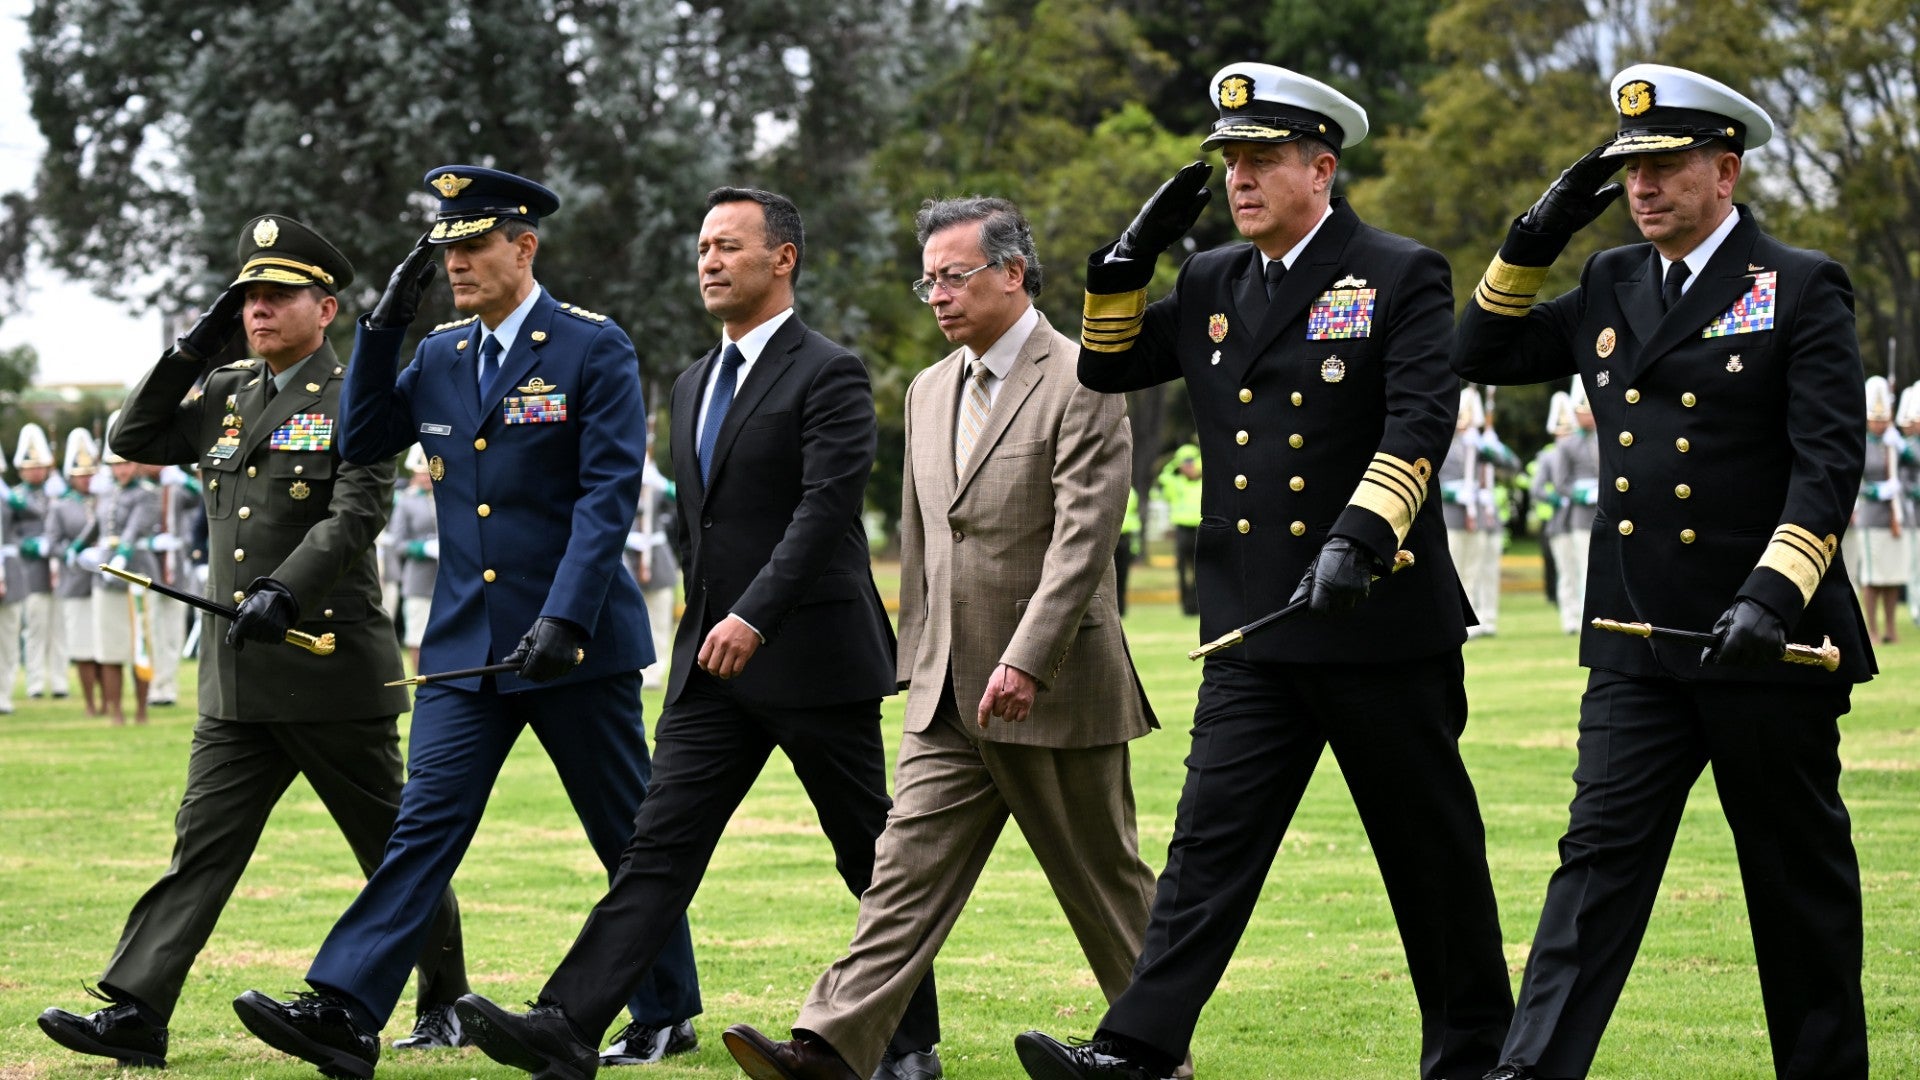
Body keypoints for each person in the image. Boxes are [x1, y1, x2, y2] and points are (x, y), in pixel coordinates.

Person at [1015, 63, 1511, 1080]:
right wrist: (1124, 264)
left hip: (1374, 617)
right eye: (1228, 161)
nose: (1238, 177)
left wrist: (1359, 536)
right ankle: (1137, 1051)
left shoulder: (1397, 271)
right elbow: (1107, 365)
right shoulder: (1210, 282)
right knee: (1207, 849)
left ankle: (1475, 1055)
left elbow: (1421, 418)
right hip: (1255, 624)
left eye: (1261, 158)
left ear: (1321, 167)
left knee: (1429, 860)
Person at [450, 186, 939, 1080]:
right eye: (702, 247)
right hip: (712, 671)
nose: (708, 262)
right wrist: (716, 618)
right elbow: (695, 526)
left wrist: (754, 614)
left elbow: (826, 513)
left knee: (868, 855)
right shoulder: (689, 381)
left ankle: (908, 1045)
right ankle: (567, 1025)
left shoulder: (830, 370)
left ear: (782, 258)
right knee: (657, 847)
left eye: (728, 246)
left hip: (815, 660)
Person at [1451, 64, 1874, 1080]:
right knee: (1594, 869)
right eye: (1629, 171)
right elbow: (1480, 348)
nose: (1641, 189)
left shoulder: (1799, 284)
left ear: (1725, 171)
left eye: (1667, 166)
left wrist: (1772, 595)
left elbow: (1828, 462)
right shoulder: (1609, 280)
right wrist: (1533, 237)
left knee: (1794, 885)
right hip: (1638, 639)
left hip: (1763, 636)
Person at [231, 168, 700, 1079]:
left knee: (627, 837)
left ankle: (666, 1010)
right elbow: (362, 438)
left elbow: (607, 499)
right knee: (424, 829)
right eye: (443, 248)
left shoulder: (590, 349)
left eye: (472, 245)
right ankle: (344, 1008)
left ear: (524, 248)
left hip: (574, 645)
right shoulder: (440, 354)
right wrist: (379, 329)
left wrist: (566, 616)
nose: (455, 263)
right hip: (465, 649)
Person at [720, 196, 1163, 1080]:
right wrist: (918, 669)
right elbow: (925, 546)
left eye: (954, 276)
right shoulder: (927, 392)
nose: (937, 296)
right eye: (928, 280)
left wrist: (1027, 660)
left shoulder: (1086, 378)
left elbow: (1085, 544)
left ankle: (1155, 1048)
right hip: (946, 699)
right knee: (901, 878)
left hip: (1057, 687)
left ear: (1011, 272)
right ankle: (828, 1047)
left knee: (1105, 888)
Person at [40, 215, 472, 1068]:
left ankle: (446, 999)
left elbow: (356, 512)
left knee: (391, 848)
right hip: (238, 675)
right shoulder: (227, 390)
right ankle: (136, 1009)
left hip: (326, 665)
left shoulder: (358, 394)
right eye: (246, 298)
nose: (257, 310)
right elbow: (133, 437)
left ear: (328, 308)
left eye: (277, 296)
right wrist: (192, 346)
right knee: (201, 847)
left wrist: (285, 589)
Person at [85, 413, 160, 726]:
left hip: (136, 575)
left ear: (136, 464)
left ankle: (141, 711)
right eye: (115, 464)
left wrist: (121, 556)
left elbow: (133, 530)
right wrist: (76, 550)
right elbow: (95, 528)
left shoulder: (146, 493)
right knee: (110, 646)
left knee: (140, 644)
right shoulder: (104, 494)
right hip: (105, 577)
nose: (121, 469)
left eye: (126, 463)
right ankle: (115, 711)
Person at [1537, 380, 1600, 635]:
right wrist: (1582, 493)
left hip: (1603, 513)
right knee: (1576, 571)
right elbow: (1560, 484)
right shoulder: (1566, 446)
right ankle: (1577, 619)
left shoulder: (1604, 438)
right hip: (1578, 517)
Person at [9, 423, 66, 702]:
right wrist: (30, 545)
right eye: (30, 467)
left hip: (59, 568)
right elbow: (9, 534)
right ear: (21, 469)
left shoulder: (57, 492)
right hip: (31, 569)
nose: (35, 471)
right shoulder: (14, 497)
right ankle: (34, 682)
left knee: (59, 628)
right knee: (35, 628)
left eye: (40, 466)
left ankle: (59, 681)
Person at [50, 428, 103, 715]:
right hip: (75, 581)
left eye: (90, 473)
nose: (87, 479)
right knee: (83, 646)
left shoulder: (103, 500)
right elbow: (53, 542)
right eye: (81, 474)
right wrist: (72, 554)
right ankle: (90, 703)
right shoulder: (60, 506)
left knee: (103, 646)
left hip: (104, 580)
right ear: (71, 476)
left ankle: (108, 700)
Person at [1849, 376, 1905, 643]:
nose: (1880, 424)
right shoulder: (1861, 441)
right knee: (1872, 577)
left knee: (1892, 575)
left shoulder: (1891, 442)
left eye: (1884, 419)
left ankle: (1890, 627)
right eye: (1876, 419)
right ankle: (1871, 628)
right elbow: (1855, 480)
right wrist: (1876, 491)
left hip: (1891, 514)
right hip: (1870, 513)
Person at [627, 436, 676, 689]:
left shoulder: (655, 485)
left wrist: (661, 484)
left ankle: (655, 673)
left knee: (659, 620)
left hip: (657, 561)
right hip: (628, 561)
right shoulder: (625, 480)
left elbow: (683, 496)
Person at [388, 445, 439, 671]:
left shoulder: (442, 498)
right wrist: (424, 548)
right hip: (419, 578)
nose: (427, 476)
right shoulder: (406, 501)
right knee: (418, 636)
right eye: (423, 472)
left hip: (446, 576)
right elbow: (399, 543)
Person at [1154, 444, 1202, 614]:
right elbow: (1163, 478)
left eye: (1190, 462)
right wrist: (1176, 463)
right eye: (1184, 463)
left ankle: (1197, 605)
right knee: (1181, 571)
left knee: (1199, 571)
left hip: (1199, 531)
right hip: (1182, 531)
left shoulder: (1203, 483)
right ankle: (1185, 606)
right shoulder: (1176, 483)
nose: (1187, 466)